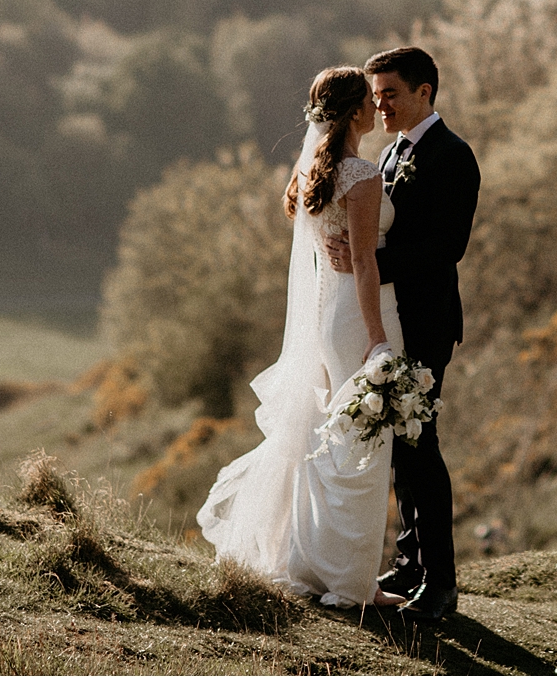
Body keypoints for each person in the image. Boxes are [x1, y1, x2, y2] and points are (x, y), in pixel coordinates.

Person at [196, 65, 406, 606]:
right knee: (361, 444)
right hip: (360, 314)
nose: (377, 108)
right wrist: (379, 339)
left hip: (326, 313)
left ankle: (308, 562)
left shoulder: (313, 169)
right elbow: (363, 263)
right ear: (358, 111)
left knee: (324, 439)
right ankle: (349, 580)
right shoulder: (360, 174)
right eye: (371, 99)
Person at [354, 45, 480, 621]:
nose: (380, 105)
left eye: (390, 95)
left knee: (421, 447)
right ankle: (410, 561)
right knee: (401, 446)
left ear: (424, 92)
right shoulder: (389, 152)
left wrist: (375, 261)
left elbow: (445, 247)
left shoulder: (453, 156)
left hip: (426, 320)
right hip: (395, 319)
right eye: (376, 96)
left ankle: (442, 584)